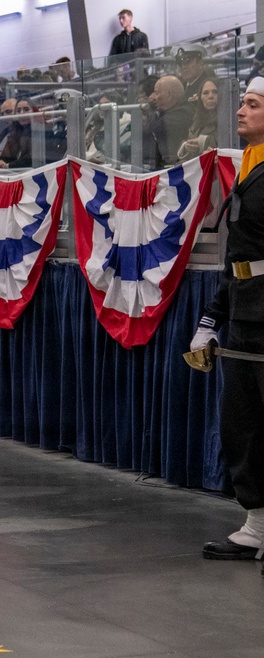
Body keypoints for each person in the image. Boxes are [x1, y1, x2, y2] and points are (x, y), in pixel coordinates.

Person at [198, 77, 264, 562]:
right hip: (244, 312)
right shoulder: (249, 167)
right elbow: (237, 256)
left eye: (253, 104)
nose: (240, 110)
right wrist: (210, 318)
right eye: (241, 102)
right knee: (241, 422)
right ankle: (257, 524)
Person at [149, 75, 194, 169]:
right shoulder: (166, 112)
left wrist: (152, 112)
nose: (153, 97)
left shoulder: (184, 113)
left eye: (156, 93)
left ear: (169, 95)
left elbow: (158, 127)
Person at [178, 78, 219, 162]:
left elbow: (227, 143)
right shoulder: (196, 121)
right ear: (200, 97)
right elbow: (187, 140)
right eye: (205, 93)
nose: (210, 96)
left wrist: (202, 142)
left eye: (215, 92)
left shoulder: (228, 119)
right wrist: (186, 146)